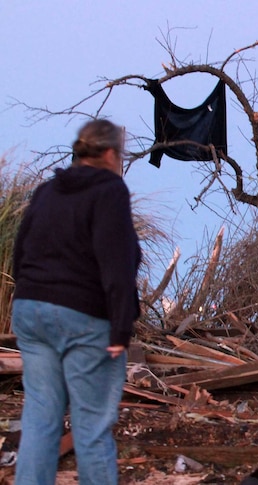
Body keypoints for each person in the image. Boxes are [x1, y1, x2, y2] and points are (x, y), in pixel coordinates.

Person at [12, 119, 141, 485]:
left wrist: (30, 297)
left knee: (40, 418)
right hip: (83, 317)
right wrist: (120, 327)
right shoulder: (110, 190)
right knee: (91, 426)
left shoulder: (47, 190)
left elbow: (21, 252)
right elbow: (116, 262)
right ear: (111, 153)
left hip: (31, 309)